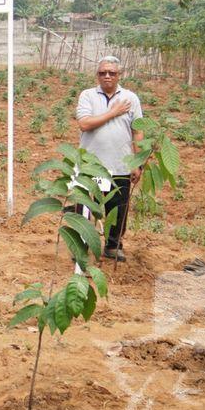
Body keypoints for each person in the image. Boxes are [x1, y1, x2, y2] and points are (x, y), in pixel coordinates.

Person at [74, 55, 144, 261]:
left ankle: (113, 245)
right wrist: (113, 112)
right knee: (84, 207)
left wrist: (137, 163)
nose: (107, 76)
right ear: (97, 75)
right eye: (102, 73)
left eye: (111, 73)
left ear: (119, 75)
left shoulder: (131, 98)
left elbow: (138, 131)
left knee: (118, 208)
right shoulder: (87, 96)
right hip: (91, 166)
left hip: (120, 166)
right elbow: (84, 124)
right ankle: (83, 245)